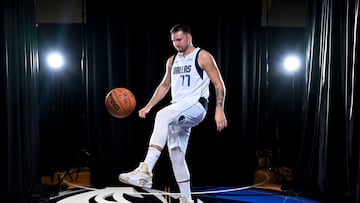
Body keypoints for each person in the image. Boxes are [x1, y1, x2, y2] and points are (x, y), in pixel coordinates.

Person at [118, 23, 228, 203]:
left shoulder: (202, 56)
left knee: (163, 116)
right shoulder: (172, 60)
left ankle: (145, 170)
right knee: (176, 153)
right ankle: (186, 199)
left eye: (179, 39)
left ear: (189, 37)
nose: (176, 43)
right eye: (173, 41)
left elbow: (218, 84)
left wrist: (219, 109)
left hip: (196, 105)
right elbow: (164, 85)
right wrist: (148, 107)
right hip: (179, 108)